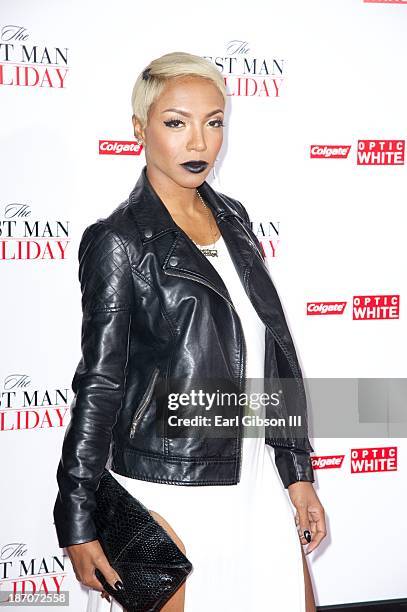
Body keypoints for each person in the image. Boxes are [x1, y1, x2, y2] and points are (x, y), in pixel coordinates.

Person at [53, 51, 326, 612]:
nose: (199, 143)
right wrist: (77, 518)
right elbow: (100, 383)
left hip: (252, 485)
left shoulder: (235, 219)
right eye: (176, 123)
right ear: (140, 129)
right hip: (169, 488)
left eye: (214, 121)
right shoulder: (118, 242)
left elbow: (273, 352)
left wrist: (296, 472)